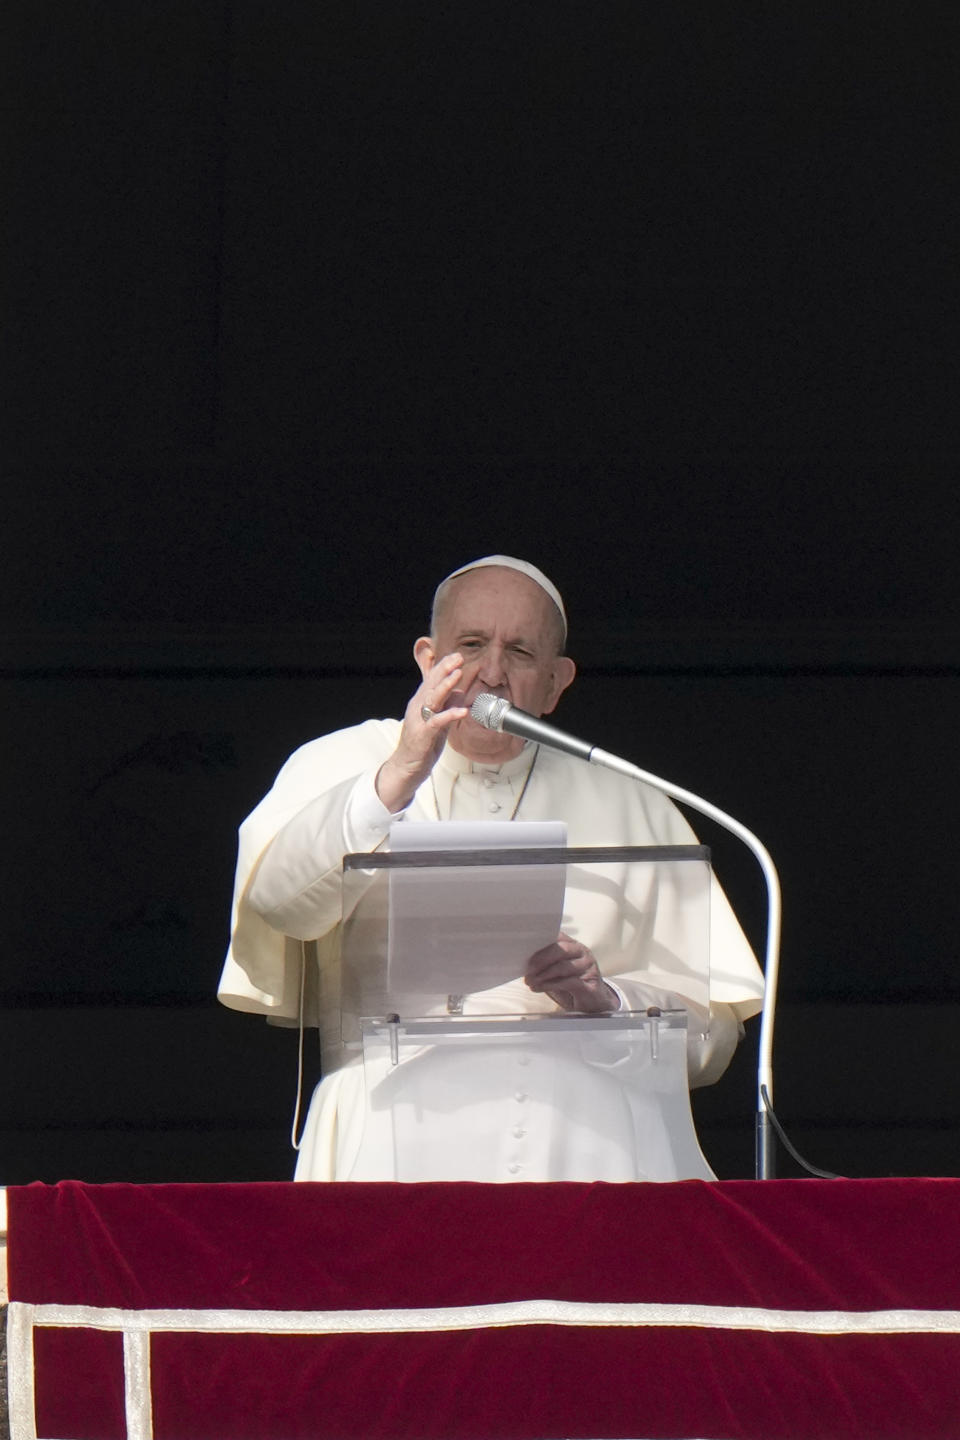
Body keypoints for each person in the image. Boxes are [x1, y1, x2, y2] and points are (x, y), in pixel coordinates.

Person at [219, 556, 764, 1180]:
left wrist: (607, 999)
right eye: (470, 645)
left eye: (522, 653)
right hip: (392, 1143)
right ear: (427, 658)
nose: (493, 673)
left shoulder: (629, 798)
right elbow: (279, 901)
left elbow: (711, 1038)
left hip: (587, 1152)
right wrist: (394, 779)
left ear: (558, 683)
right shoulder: (345, 762)